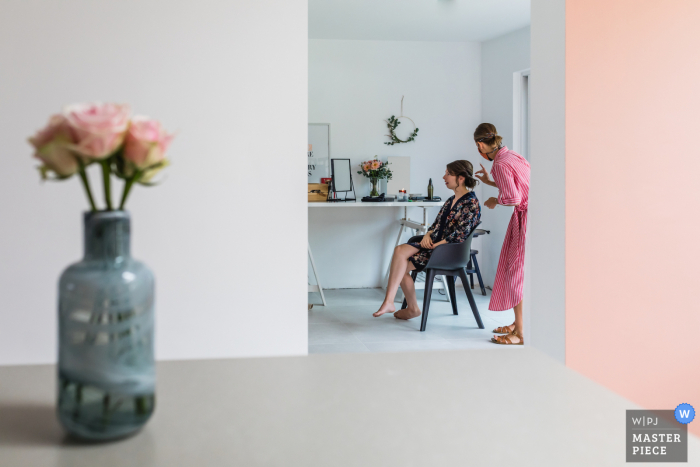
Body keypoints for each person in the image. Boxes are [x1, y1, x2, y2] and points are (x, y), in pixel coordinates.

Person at [373, 160, 481, 320]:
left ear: (461, 178)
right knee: (399, 254)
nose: (444, 177)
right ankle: (397, 304)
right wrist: (427, 235)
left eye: (448, 174)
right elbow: (436, 225)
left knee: (400, 266)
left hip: (448, 252)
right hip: (433, 246)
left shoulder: (471, 202)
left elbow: (461, 234)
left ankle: (408, 307)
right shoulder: (450, 201)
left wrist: (436, 244)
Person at [473, 123, 530, 345]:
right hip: (535, 217)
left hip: (524, 219)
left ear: (480, 145)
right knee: (521, 273)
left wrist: (493, 200)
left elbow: (514, 198)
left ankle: (521, 333)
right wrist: (490, 181)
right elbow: (520, 186)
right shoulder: (513, 156)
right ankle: (520, 323)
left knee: (516, 273)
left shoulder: (499, 164)